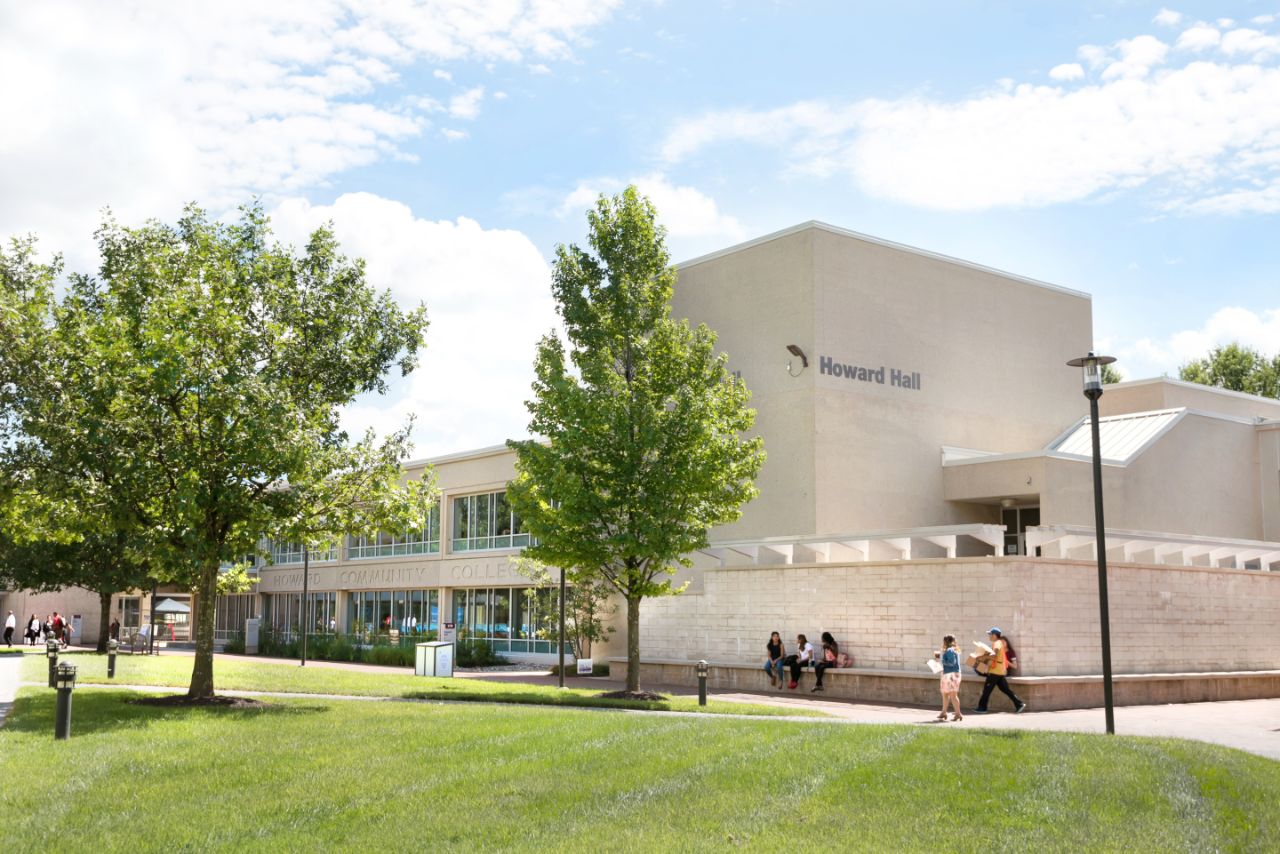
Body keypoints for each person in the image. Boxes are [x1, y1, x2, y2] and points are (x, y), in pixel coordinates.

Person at [973, 627, 1026, 714]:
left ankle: (982, 708)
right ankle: (1019, 704)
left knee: (986, 690)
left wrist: (982, 657)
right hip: (999, 671)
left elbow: (994, 655)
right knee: (1005, 689)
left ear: (994, 635)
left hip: (995, 671)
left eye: (990, 634)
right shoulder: (999, 643)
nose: (989, 636)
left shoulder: (997, 643)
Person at [935, 634, 963, 721]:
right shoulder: (953, 650)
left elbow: (952, 663)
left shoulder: (950, 650)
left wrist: (942, 661)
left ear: (946, 642)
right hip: (951, 674)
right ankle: (944, 713)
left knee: (953, 695)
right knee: (945, 694)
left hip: (951, 675)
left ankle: (958, 714)